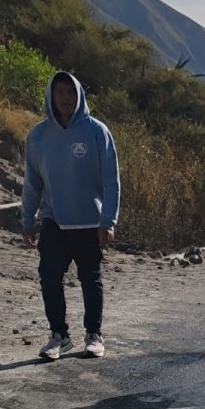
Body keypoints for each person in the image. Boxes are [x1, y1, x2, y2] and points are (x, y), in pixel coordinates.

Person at [21, 72, 120, 361]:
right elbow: (32, 182)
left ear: (79, 96)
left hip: (90, 220)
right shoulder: (38, 135)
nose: (65, 98)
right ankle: (59, 335)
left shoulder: (96, 131)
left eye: (70, 92)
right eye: (60, 92)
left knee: (90, 278)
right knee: (49, 276)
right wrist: (27, 220)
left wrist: (108, 221)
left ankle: (93, 334)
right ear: (51, 96)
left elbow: (111, 181)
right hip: (54, 219)